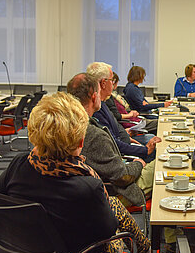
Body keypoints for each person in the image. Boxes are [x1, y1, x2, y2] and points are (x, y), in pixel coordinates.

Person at [0, 92, 169, 253]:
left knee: (110, 206)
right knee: (116, 227)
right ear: (80, 141)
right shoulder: (86, 186)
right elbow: (107, 232)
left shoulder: (19, 165)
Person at [67, 72, 155, 207]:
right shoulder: (93, 134)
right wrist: (139, 163)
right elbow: (122, 177)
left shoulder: (67, 125)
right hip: (113, 194)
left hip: (88, 194)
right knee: (160, 164)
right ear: (94, 96)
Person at [88, 62, 161, 162]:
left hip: (125, 143)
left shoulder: (102, 104)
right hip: (120, 156)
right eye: (111, 80)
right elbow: (113, 143)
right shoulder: (96, 109)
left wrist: (127, 136)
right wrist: (144, 150)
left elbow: (115, 131)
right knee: (157, 153)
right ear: (104, 83)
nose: (113, 84)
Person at [106, 72, 158, 143]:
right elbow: (117, 116)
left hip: (133, 119)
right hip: (131, 123)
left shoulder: (115, 96)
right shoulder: (109, 98)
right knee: (158, 126)